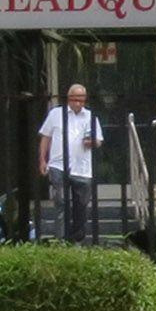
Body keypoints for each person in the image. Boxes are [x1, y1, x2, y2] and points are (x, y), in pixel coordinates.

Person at [37, 82, 103, 241]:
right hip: (58, 165)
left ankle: (76, 239)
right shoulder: (56, 114)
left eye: (82, 100)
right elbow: (46, 137)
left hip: (82, 168)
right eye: (75, 100)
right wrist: (42, 160)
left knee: (81, 207)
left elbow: (99, 140)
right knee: (61, 203)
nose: (78, 103)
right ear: (68, 99)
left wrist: (91, 142)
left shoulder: (90, 116)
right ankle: (61, 240)